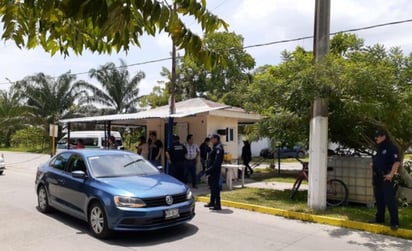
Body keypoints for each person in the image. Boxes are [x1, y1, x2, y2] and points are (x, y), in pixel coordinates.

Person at [370, 129, 401, 230]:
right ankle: (380, 218)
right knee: (379, 199)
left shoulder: (391, 148)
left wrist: (391, 174)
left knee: (389, 200)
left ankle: (395, 222)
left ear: (383, 136)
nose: (376, 138)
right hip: (377, 177)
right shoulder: (380, 147)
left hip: (386, 177)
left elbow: (397, 162)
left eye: (378, 136)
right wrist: (373, 164)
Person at [205, 133, 224, 211]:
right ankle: (212, 202)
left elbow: (217, 162)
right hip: (212, 171)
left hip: (214, 171)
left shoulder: (219, 148)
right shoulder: (215, 147)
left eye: (212, 138)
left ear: (216, 139)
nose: (211, 140)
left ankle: (218, 205)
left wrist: (210, 169)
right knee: (212, 187)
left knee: (215, 188)